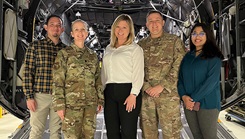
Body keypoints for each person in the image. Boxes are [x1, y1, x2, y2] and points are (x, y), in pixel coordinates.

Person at [52, 19, 104, 139]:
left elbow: (98, 79)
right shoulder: (64, 54)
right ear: (72, 34)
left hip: (90, 105)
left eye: (83, 30)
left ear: (87, 33)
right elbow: (57, 81)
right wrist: (59, 105)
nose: (80, 33)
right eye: (76, 30)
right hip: (71, 106)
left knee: (89, 136)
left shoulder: (93, 56)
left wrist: (100, 100)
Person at [137, 10, 186, 139]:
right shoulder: (140, 46)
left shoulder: (174, 41)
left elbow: (179, 65)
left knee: (172, 134)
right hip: (147, 98)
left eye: (157, 20)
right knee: (148, 134)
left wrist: (162, 85)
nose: (154, 24)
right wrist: (146, 86)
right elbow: (135, 70)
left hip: (168, 97)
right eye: (151, 21)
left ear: (163, 23)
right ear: (146, 24)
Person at [22, 14, 66, 139]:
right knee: (36, 132)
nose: (55, 28)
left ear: (62, 29)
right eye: (52, 25)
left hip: (59, 97)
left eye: (58, 25)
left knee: (56, 133)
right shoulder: (35, 46)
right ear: (46, 27)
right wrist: (29, 97)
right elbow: (28, 72)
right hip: (39, 97)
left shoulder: (66, 51)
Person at [101, 14, 144, 139]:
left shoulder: (135, 49)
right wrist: (101, 93)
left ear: (130, 30)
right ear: (114, 29)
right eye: (118, 27)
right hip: (109, 93)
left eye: (124, 27)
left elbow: (138, 73)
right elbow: (104, 73)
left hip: (128, 92)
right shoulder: (108, 48)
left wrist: (134, 94)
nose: (120, 30)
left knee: (128, 132)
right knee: (112, 132)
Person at [177, 22, 224, 139]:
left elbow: (211, 83)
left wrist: (191, 99)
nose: (197, 37)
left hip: (208, 104)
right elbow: (180, 79)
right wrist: (183, 97)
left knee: (209, 136)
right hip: (189, 104)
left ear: (207, 35)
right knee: (197, 136)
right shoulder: (187, 57)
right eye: (194, 34)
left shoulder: (214, 57)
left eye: (201, 34)